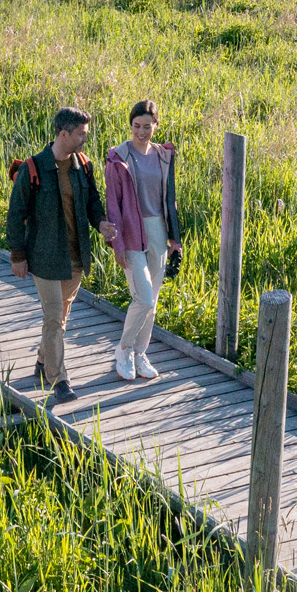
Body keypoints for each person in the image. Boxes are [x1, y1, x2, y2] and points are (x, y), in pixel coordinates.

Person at [8, 106, 116, 404]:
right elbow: (15, 214)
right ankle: (59, 380)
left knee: (61, 318)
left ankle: (43, 362)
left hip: (76, 255)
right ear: (64, 133)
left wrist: (102, 223)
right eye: (81, 134)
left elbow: (92, 200)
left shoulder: (83, 164)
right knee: (54, 317)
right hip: (44, 257)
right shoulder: (34, 168)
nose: (85, 139)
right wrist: (18, 256)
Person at [103, 100, 180, 381]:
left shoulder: (163, 155)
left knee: (154, 299)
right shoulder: (118, 157)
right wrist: (117, 244)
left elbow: (170, 199)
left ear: (156, 125)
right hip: (130, 231)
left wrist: (175, 238)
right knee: (143, 299)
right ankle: (123, 349)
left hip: (158, 230)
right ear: (130, 125)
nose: (141, 132)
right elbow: (113, 204)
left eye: (147, 126)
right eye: (137, 126)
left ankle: (140, 352)